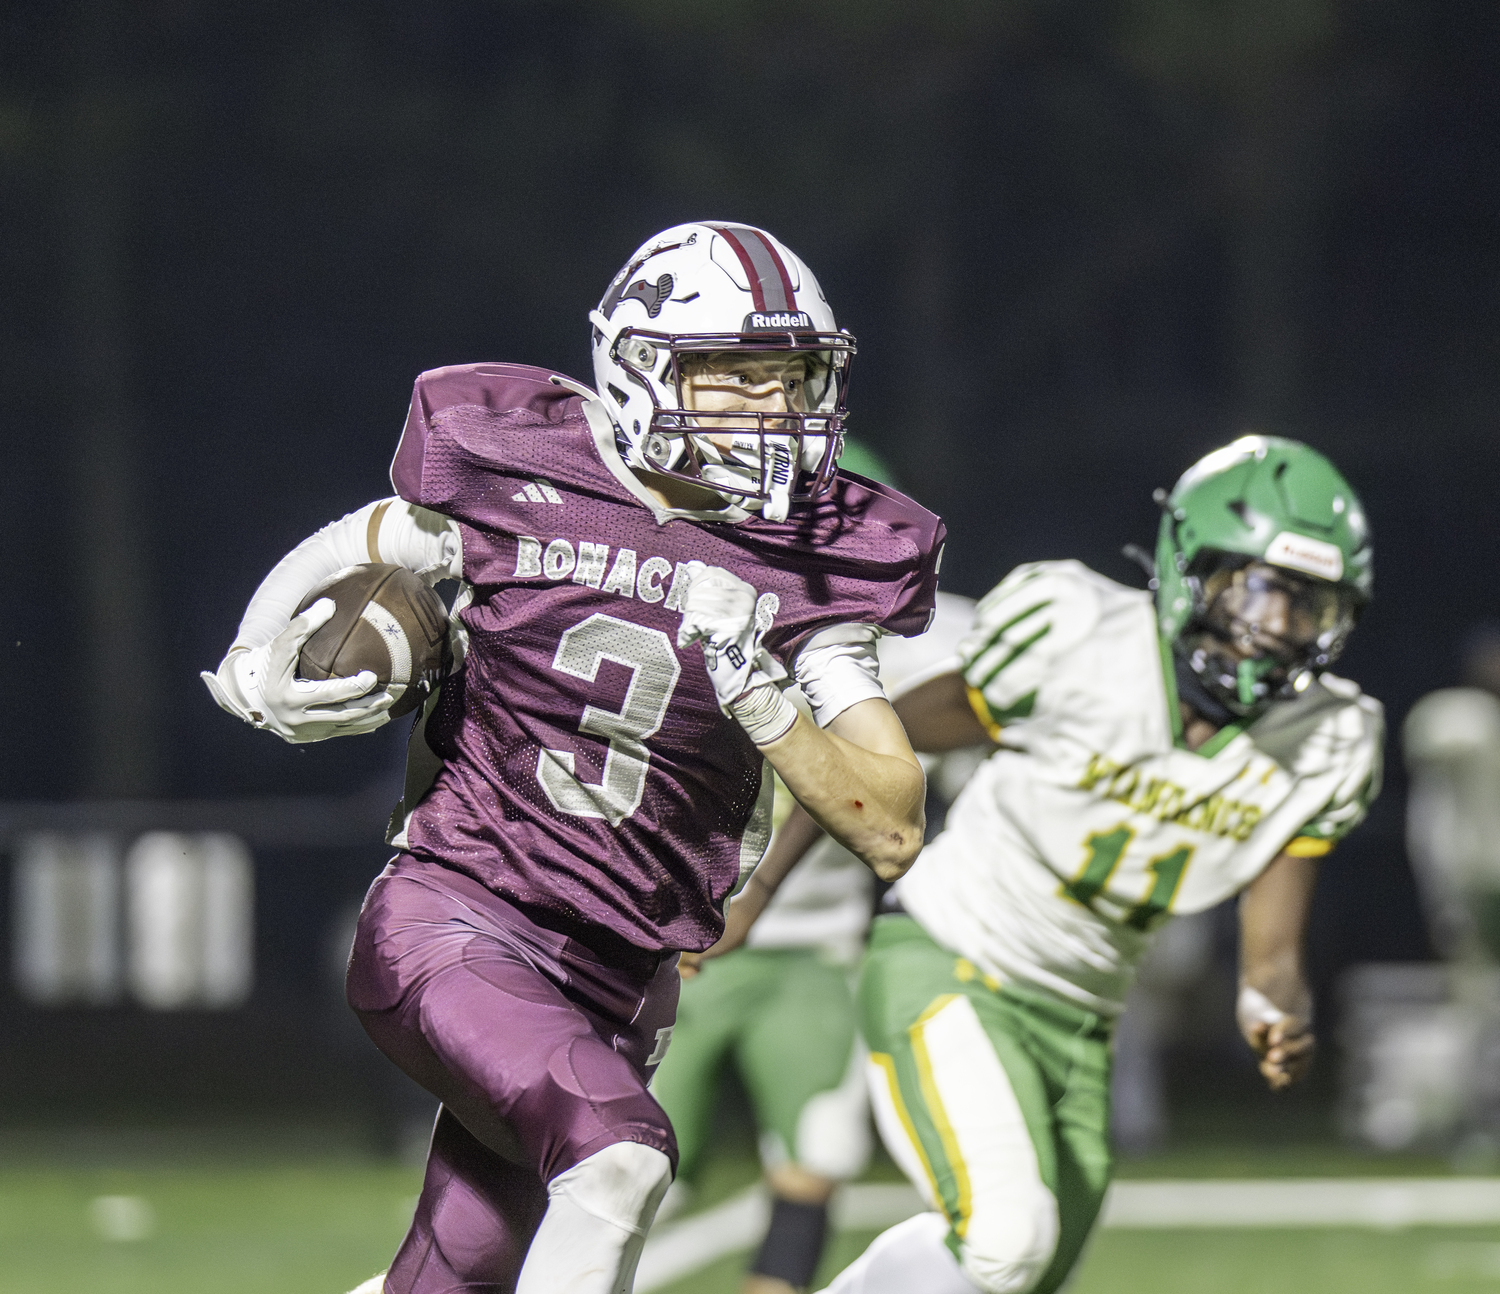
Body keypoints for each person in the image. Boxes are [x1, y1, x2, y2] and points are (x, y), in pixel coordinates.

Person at [199, 221, 944, 1294]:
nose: (776, 412)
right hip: (459, 917)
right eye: (737, 380)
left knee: (453, 1280)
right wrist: (258, 647)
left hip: (620, 976)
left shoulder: (817, 564)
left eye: (792, 380)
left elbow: (889, 820)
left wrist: (761, 686)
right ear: (641, 367)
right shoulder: (524, 456)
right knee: (619, 1159)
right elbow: (375, 540)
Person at [729, 436, 1382, 1294]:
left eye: (1309, 606)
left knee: (1024, 1271)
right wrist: (760, 888)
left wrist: (1273, 1000)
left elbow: (1273, 944)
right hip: (951, 956)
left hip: (1085, 1014)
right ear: (1195, 567)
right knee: (1007, 1237)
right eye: (1260, 588)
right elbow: (870, 762)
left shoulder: (1331, 738)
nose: (1277, 626)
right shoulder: (1081, 636)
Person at [651, 582, 978, 1294]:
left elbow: (970, 773)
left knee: (819, 1157)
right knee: (636, 1168)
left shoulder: (918, 642)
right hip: (669, 934)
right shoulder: (684, 595)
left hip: (818, 946)